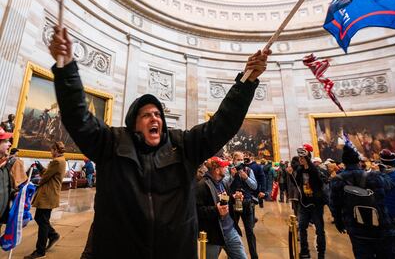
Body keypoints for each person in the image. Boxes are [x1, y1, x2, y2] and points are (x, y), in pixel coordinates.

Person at [48, 26, 271, 258]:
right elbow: (78, 117)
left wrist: (247, 81)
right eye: (146, 114)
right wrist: (66, 69)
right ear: (134, 123)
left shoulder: (183, 145)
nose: (154, 117)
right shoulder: (112, 143)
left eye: (157, 114)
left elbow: (222, 124)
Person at [330, 144, 395, 259]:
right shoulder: (373, 176)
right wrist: (380, 171)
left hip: (356, 227)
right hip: (381, 227)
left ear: (344, 163)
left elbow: (335, 205)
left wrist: (339, 222)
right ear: (359, 162)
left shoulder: (337, 180)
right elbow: (390, 185)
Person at [196, 156, 247, 259]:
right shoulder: (202, 186)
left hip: (230, 231)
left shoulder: (223, 183)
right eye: (223, 167)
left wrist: (234, 198)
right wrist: (216, 210)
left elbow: (226, 199)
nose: (226, 169)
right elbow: (196, 210)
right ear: (217, 169)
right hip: (213, 235)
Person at [24, 141, 67, 259]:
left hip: (47, 195)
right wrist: (41, 167)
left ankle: (40, 251)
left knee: (42, 222)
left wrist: (36, 181)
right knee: (40, 218)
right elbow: (48, 173)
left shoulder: (57, 161)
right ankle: (53, 235)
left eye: (52, 150)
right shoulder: (61, 160)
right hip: (50, 194)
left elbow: (45, 177)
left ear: (56, 150)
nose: (50, 152)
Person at [223, 151, 258, 259]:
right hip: (233, 204)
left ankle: (254, 256)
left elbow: (254, 186)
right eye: (238, 159)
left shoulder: (248, 170)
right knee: (232, 229)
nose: (240, 161)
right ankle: (232, 255)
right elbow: (224, 185)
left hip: (246, 203)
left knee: (249, 231)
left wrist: (246, 178)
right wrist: (232, 177)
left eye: (242, 159)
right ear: (233, 160)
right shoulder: (229, 170)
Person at [294, 146, 326, 259]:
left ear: (307, 158)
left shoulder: (315, 170)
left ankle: (321, 253)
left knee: (320, 230)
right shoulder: (299, 170)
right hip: (304, 203)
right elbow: (296, 184)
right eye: (299, 157)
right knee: (302, 227)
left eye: (302, 158)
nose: (300, 159)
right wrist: (290, 174)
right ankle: (304, 251)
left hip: (316, 205)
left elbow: (321, 185)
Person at [0, 127, 13, 229]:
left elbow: (4, 185)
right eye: (6, 141)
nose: (9, 144)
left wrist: (14, 192)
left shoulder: (5, 164)